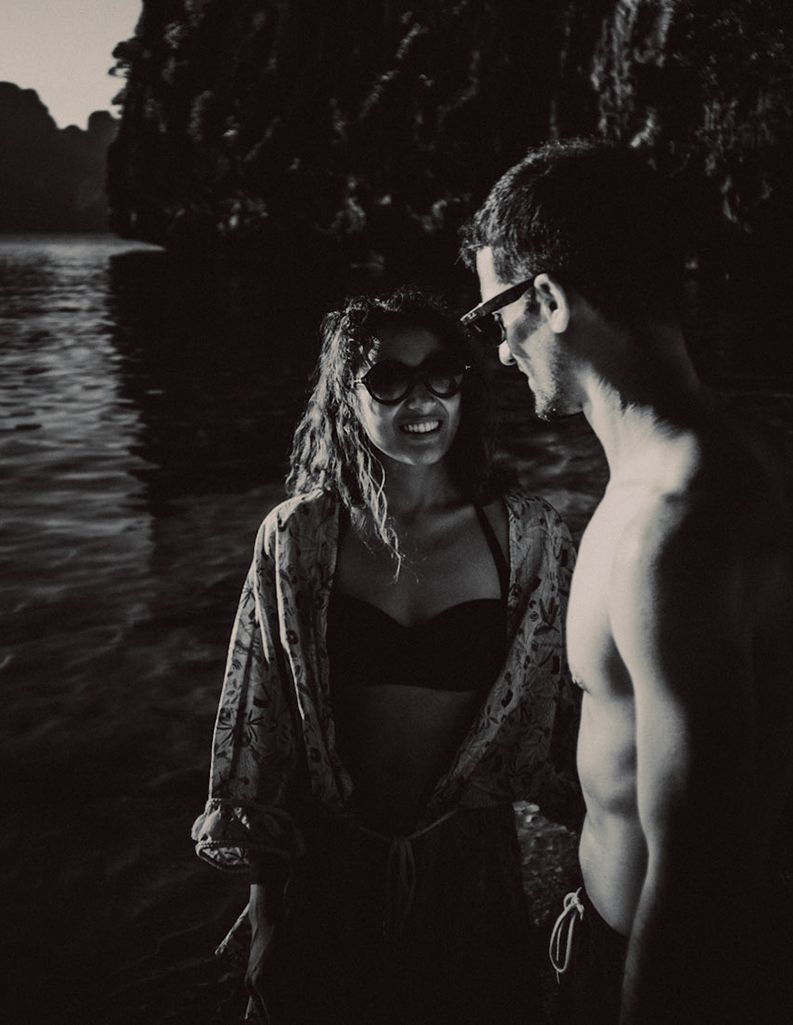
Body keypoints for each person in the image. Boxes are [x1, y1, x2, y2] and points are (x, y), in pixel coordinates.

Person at [461, 140, 793, 1023]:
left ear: (550, 301)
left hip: (653, 963)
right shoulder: (763, 454)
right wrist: (783, 784)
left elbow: (696, 873)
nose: (498, 351)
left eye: (494, 315)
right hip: (741, 937)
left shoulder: (665, 535)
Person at [192, 287, 582, 1024]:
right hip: (330, 865)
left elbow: (572, 717)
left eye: (442, 373)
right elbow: (265, 730)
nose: (422, 398)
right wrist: (266, 915)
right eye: (388, 379)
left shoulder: (527, 536)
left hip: (471, 864)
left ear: (466, 385)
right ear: (346, 396)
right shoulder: (301, 536)